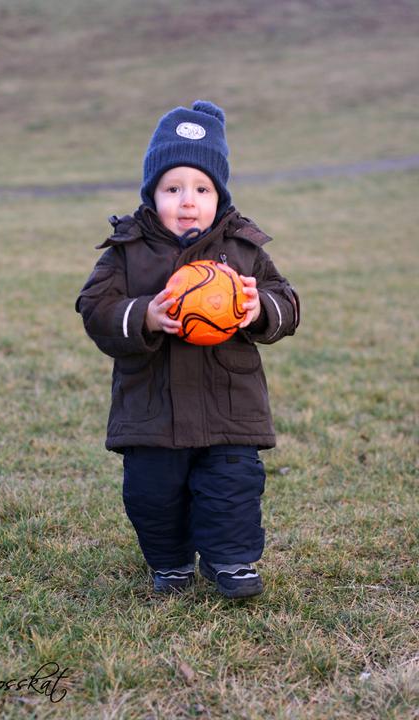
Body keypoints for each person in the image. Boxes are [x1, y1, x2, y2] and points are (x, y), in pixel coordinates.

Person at [75, 101, 300, 598]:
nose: (187, 201)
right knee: (152, 495)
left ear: (220, 196)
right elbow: (94, 308)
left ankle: (231, 561)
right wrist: (145, 315)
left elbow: (287, 300)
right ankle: (171, 562)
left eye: (202, 189)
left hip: (230, 408)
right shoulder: (127, 250)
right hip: (151, 412)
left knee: (232, 488)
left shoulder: (243, 249)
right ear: (151, 194)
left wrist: (257, 309)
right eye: (172, 188)